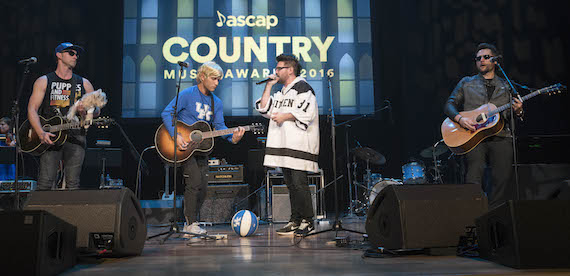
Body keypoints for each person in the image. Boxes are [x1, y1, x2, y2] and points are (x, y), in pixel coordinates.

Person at [161, 61, 245, 235]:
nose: (217, 83)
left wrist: (233, 137)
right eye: (214, 79)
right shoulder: (187, 94)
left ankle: (192, 221)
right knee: (194, 182)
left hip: (201, 149)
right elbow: (167, 112)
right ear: (202, 77)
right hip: (183, 148)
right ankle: (190, 223)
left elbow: (220, 126)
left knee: (204, 187)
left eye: (219, 80)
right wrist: (175, 136)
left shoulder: (217, 103)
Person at [444, 43, 523, 208]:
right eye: (478, 58)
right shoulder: (467, 83)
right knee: (474, 175)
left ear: (495, 61)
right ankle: (473, 213)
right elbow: (449, 105)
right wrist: (460, 119)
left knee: (502, 178)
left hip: (501, 135)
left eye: (486, 57)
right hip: (473, 136)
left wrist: (519, 111)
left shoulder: (506, 85)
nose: (481, 60)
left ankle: (494, 214)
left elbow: (516, 113)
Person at [255, 54, 320, 236]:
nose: (275, 71)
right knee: (291, 184)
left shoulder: (303, 88)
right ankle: (295, 219)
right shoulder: (282, 91)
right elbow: (265, 108)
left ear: (290, 70)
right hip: (284, 146)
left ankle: (308, 220)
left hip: (298, 144)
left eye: (279, 68)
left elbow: (307, 113)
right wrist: (268, 85)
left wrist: (285, 116)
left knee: (300, 183)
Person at [27, 42, 99, 190]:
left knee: (73, 184)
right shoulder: (44, 81)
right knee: (45, 183)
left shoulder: (84, 83)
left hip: (76, 136)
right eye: (71, 53)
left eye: (76, 54)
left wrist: (86, 111)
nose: (75, 56)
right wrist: (40, 132)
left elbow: (97, 111)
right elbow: (32, 109)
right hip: (51, 136)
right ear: (59, 55)